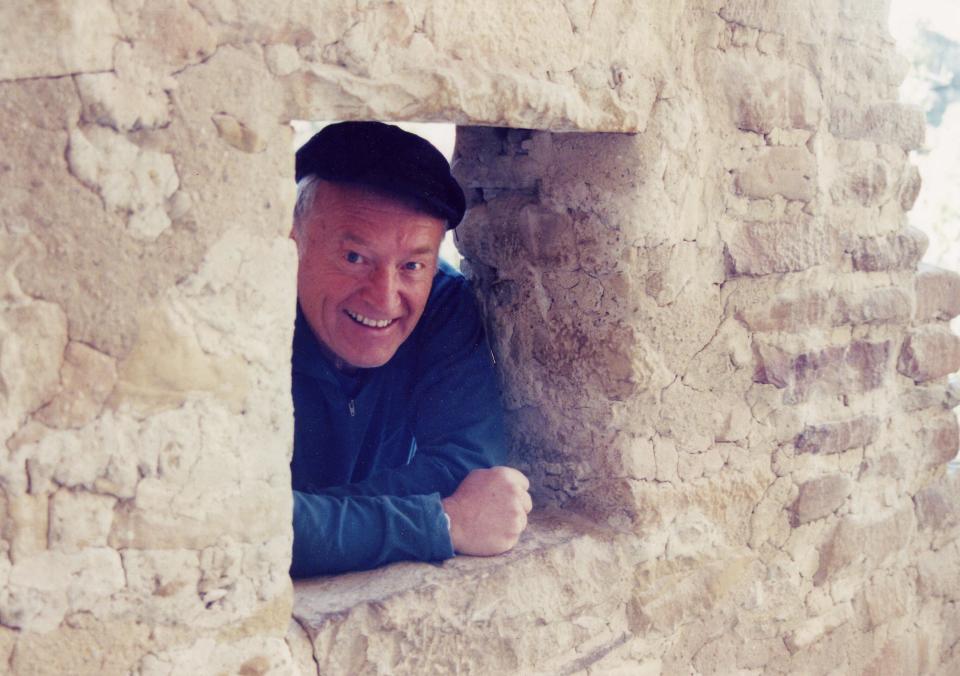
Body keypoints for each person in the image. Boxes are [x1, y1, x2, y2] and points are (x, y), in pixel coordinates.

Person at [289, 121, 532, 577]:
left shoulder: (442, 304)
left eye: (412, 265)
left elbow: (465, 469)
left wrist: (307, 520)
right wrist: (437, 520)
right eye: (354, 257)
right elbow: (236, 527)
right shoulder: (241, 318)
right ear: (293, 239)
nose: (384, 298)